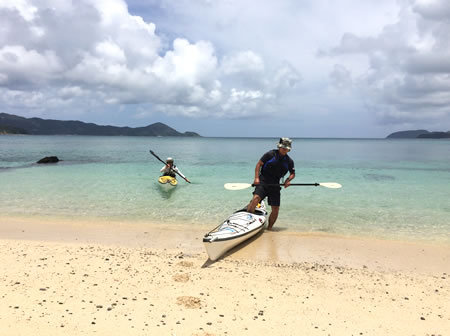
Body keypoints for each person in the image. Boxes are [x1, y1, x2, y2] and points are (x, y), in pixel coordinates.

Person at [246, 138, 295, 230]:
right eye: (283, 147)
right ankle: (247, 221)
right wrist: (256, 178)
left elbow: (292, 173)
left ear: (289, 149)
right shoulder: (270, 154)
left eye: (286, 148)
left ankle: (269, 229)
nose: (284, 150)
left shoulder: (289, 161)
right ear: (279, 147)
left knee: (275, 209)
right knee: (255, 199)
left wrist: (288, 180)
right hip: (263, 181)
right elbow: (259, 164)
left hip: (275, 185)